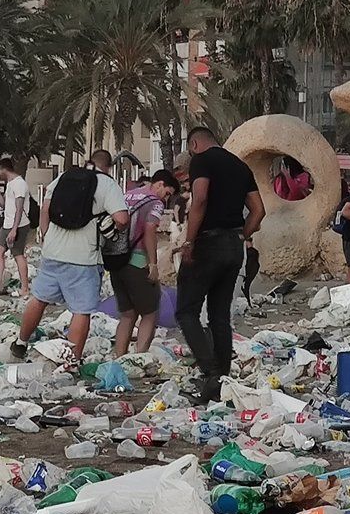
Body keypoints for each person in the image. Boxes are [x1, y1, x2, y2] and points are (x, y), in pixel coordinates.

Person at [9, 151, 128, 376]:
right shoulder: (107, 185)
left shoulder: (64, 177)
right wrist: (110, 225)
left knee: (39, 299)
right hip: (84, 258)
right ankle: (70, 363)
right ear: (108, 167)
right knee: (81, 311)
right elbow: (122, 218)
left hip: (53, 252)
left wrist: (46, 236)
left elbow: (45, 208)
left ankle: (21, 342)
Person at [173, 127, 263, 404]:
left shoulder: (202, 160)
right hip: (233, 245)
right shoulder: (240, 166)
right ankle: (222, 376)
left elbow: (200, 198)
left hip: (207, 242)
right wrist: (242, 235)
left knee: (186, 310)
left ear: (195, 143)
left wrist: (189, 242)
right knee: (219, 314)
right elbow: (259, 210)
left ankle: (210, 370)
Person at [110, 169, 178, 358]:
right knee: (149, 313)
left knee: (127, 314)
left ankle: (120, 357)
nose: (165, 199)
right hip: (138, 261)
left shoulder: (127, 195)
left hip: (116, 259)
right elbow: (149, 230)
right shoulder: (154, 203)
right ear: (160, 184)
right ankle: (139, 357)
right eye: (167, 193)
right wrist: (154, 264)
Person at [0, 155, 32, 295]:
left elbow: (19, 208)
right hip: (6, 223)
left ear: (4, 169)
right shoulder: (10, 184)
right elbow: (5, 204)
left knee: (18, 254)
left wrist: (14, 230)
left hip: (19, 225)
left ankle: (25, 288)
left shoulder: (19, 184)